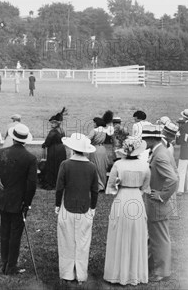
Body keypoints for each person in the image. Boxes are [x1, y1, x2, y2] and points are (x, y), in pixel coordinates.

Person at [0, 123, 37, 275]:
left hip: (3, 198)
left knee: (4, 231)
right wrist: (27, 203)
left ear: (13, 137)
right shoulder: (30, 158)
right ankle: (10, 266)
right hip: (19, 201)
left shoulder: (2, 152)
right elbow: (32, 184)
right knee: (15, 234)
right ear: (25, 140)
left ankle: (5, 263)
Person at [103, 137, 151, 285]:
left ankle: (117, 273)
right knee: (136, 234)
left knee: (119, 233)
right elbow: (145, 187)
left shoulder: (118, 164)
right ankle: (134, 273)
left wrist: (118, 186)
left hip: (122, 198)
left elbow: (110, 187)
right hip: (136, 198)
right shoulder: (145, 165)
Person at [55, 133, 99, 284]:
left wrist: (57, 204)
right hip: (85, 207)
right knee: (82, 241)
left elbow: (59, 187)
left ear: (72, 149)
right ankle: (80, 274)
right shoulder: (91, 167)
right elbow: (94, 190)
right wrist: (93, 207)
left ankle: (67, 273)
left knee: (66, 240)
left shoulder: (65, 165)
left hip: (67, 206)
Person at [142, 123, 179, 282]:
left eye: (145, 138)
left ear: (152, 139)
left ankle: (162, 272)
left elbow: (173, 179)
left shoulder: (160, 155)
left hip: (157, 204)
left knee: (160, 238)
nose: (143, 141)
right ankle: (153, 267)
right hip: (157, 203)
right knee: (156, 236)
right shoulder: (160, 151)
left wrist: (162, 195)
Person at [39, 107, 68, 190]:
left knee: (51, 166)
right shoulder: (62, 130)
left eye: (52, 123)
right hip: (62, 149)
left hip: (54, 150)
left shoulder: (53, 131)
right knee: (59, 166)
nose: (51, 124)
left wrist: (44, 145)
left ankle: (51, 183)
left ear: (56, 123)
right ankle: (59, 182)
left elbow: (48, 142)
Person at [87, 117, 110, 191]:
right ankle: (103, 184)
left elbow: (88, 139)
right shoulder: (104, 130)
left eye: (94, 122)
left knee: (95, 167)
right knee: (102, 168)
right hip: (103, 149)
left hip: (95, 149)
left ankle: (98, 186)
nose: (93, 124)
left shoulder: (94, 131)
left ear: (97, 123)